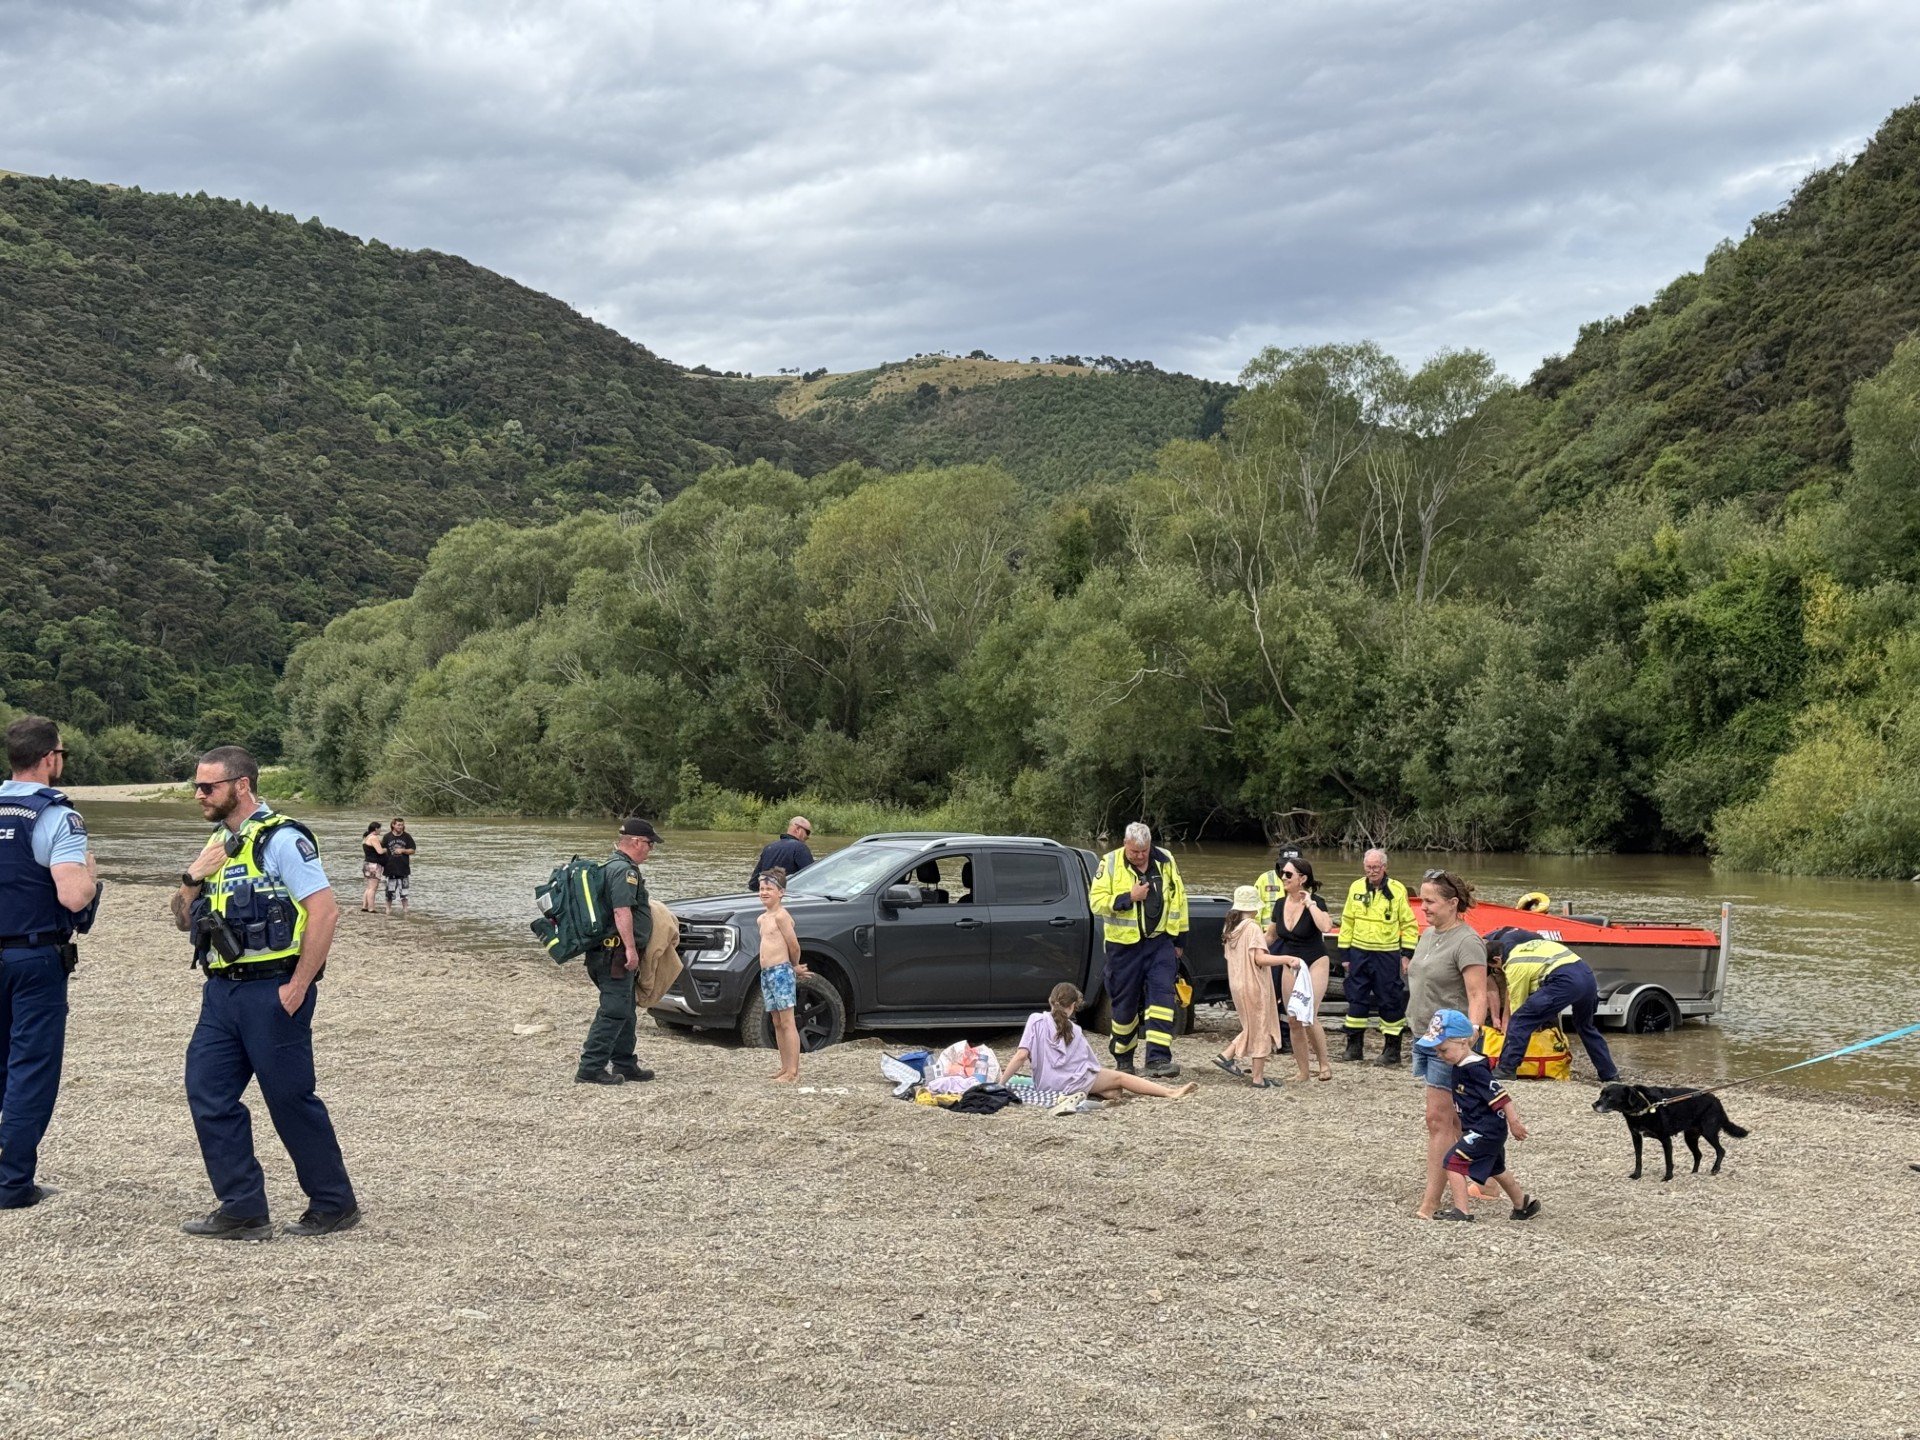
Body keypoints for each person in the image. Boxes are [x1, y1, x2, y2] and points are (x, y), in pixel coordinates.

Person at [172, 745, 358, 1239]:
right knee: (207, 1093)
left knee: (290, 1099)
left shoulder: (282, 840)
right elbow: (179, 918)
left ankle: (334, 1203)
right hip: (221, 994)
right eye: (197, 785)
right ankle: (242, 1209)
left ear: (241, 785)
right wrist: (192, 877)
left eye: (208, 786)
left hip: (273, 990)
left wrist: (299, 985)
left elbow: (325, 911)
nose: (199, 795)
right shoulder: (217, 843)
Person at [1, 716, 100, 1211]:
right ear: (48, 759)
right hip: (34, 955)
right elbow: (74, 894)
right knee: (30, 1068)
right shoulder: (55, 815)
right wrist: (91, 873)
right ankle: (13, 1183)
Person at [1406, 868, 1491, 1220]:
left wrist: (1470, 1034)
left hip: (1450, 1041)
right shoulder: (1428, 935)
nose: (1423, 907)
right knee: (1458, 1119)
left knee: (1437, 1119)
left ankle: (1431, 1202)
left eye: (1430, 901)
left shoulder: (1467, 941)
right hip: (1423, 1034)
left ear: (1453, 903)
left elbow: (1477, 993)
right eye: (1422, 900)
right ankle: (1488, 1180)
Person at [1087, 822, 1190, 1078]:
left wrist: (1179, 942)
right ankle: (1123, 1059)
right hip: (1124, 948)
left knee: (1162, 1001)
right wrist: (1128, 897)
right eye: (1135, 851)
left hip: (1159, 944)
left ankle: (1158, 1060)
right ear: (1125, 844)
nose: (1140, 856)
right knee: (1124, 1006)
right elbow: (1095, 903)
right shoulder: (1109, 863)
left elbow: (1180, 900)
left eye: (1144, 850)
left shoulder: (1165, 860)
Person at [1422, 1008, 1540, 1223]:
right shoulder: (1461, 1064)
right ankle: (1522, 1204)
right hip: (1486, 1129)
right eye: (1437, 1051)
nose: (1440, 1055)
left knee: (1452, 1161)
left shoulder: (1474, 1068)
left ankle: (1462, 1211)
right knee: (1496, 1168)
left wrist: (1514, 1122)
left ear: (1463, 1042)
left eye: (1444, 1049)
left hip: (1484, 1130)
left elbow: (1501, 1095)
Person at [1001, 984, 1198, 1101]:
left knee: (1113, 1088)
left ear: (1051, 1001)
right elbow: (1089, 1065)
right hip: (1069, 1083)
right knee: (1120, 1077)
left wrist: (1001, 1082)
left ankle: (1106, 1093)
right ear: (1072, 1007)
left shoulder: (1035, 1020)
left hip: (1045, 1084)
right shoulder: (1075, 1030)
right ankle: (1169, 1092)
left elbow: (1021, 1056)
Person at [575, 817, 660, 1086]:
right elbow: (621, 911)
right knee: (613, 1010)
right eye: (649, 843)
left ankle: (625, 1063)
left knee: (626, 1009)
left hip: (609, 952)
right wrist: (632, 950)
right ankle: (591, 1068)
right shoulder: (624, 871)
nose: (651, 849)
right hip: (615, 954)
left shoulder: (610, 866)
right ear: (635, 842)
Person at [1483, 926, 1620, 1084]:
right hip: (1587, 976)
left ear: (1497, 960)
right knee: (1585, 1026)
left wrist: (1506, 1026)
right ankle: (1609, 1074)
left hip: (1563, 981)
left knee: (1521, 1019)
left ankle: (1506, 1069)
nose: (1498, 971)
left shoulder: (1514, 964)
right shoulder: (1528, 946)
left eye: (1494, 968)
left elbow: (1517, 1006)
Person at [1337, 848, 1419, 1065]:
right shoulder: (1356, 887)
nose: (1372, 872)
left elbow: (1409, 924)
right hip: (1359, 953)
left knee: (1390, 1000)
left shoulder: (1397, 889)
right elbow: (1347, 922)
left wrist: (1406, 954)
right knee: (1356, 999)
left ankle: (1392, 1051)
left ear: (1384, 867)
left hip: (1387, 954)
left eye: (1376, 867)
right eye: (1368, 867)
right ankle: (1354, 1047)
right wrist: (1345, 954)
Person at [1268, 857, 1338, 1083]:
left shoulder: (1317, 901)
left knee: (1308, 1014)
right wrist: (1248, 947)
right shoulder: (1279, 904)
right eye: (1282, 874)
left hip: (1315, 961)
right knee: (1293, 1018)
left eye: (1288, 874)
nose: (1283, 878)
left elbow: (1326, 926)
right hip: (1292, 962)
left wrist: (1310, 904)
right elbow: (1270, 936)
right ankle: (1303, 1071)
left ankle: (1324, 1065)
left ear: (1303, 878)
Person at [1215, 886, 1278, 1087]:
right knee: (1260, 1027)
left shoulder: (1230, 928)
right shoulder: (1252, 927)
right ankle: (1258, 1078)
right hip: (1253, 984)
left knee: (1251, 1025)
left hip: (1237, 983)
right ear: (1255, 907)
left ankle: (1226, 1055)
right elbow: (1260, 958)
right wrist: (1287, 959)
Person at [755, 867, 811, 1083]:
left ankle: (793, 1071)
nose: (764, 892)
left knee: (787, 1021)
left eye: (769, 888)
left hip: (781, 972)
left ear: (781, 892)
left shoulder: (781, 916)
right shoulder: (762, 919)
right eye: (761, 888)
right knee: (776, 1021)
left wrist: (794, 966)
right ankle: (784, 1066)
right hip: (766, 973)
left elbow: (793, 945)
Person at [748, 816, 814, 890]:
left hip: (770, 897)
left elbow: (753, 884)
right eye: (807, 832)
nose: (808, 836)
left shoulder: (769, 848)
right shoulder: (800, 848)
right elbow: (813, 878)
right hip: (790, 897)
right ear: (798, 829)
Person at [380, 817, 416, 916]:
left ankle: (405, 911)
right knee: (389, 893)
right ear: (393, 825)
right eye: (399, 825)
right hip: (390, 869)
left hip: (403, 869)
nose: (401, 826)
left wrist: (403, 850)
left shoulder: (407, 836)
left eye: (402, 825)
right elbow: (381, 850)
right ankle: (388, 911)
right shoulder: (387, 837)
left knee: (404, 894)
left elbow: (413, 850)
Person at [359, 823, 385, 913]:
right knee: (373, 888)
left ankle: (364, 906)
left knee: (369, 887)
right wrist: (387, 849)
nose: (380, 830)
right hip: (374, 865)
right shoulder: (373, 838)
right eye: (380, 828)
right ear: (376, 829)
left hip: (367, 863)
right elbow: (380, 851)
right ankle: (371, 908)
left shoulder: (366, 837)